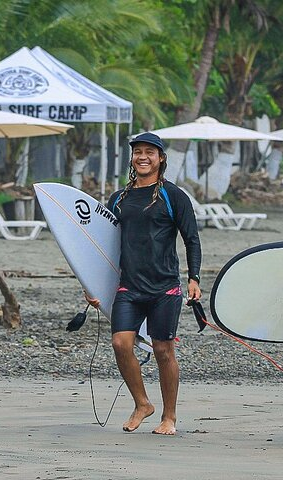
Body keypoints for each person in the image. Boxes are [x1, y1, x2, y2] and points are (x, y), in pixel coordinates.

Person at [85, 132, 202, 435]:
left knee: (163, 351)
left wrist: (194, 278)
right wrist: (91, 284)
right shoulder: (119, 198)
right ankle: (142, 403)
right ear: (132, 158)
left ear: (161, 158)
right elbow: (102, 245)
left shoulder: (173, 195)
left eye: (150, 152)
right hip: (129, 287)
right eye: (138, 152)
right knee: (120, 343)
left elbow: (192, 239)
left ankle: (170, 417)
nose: (143, 157)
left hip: (165, 288)